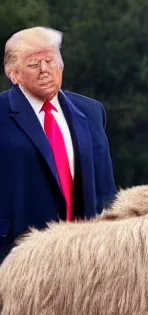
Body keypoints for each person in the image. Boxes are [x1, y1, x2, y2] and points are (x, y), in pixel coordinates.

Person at [0, 26, 117, 262]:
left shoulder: (91, 111)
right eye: (34, 64)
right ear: (13, 74)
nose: (44, 70)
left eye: (50, 61)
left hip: (83, 253)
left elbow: (105, 189)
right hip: (17, 253)